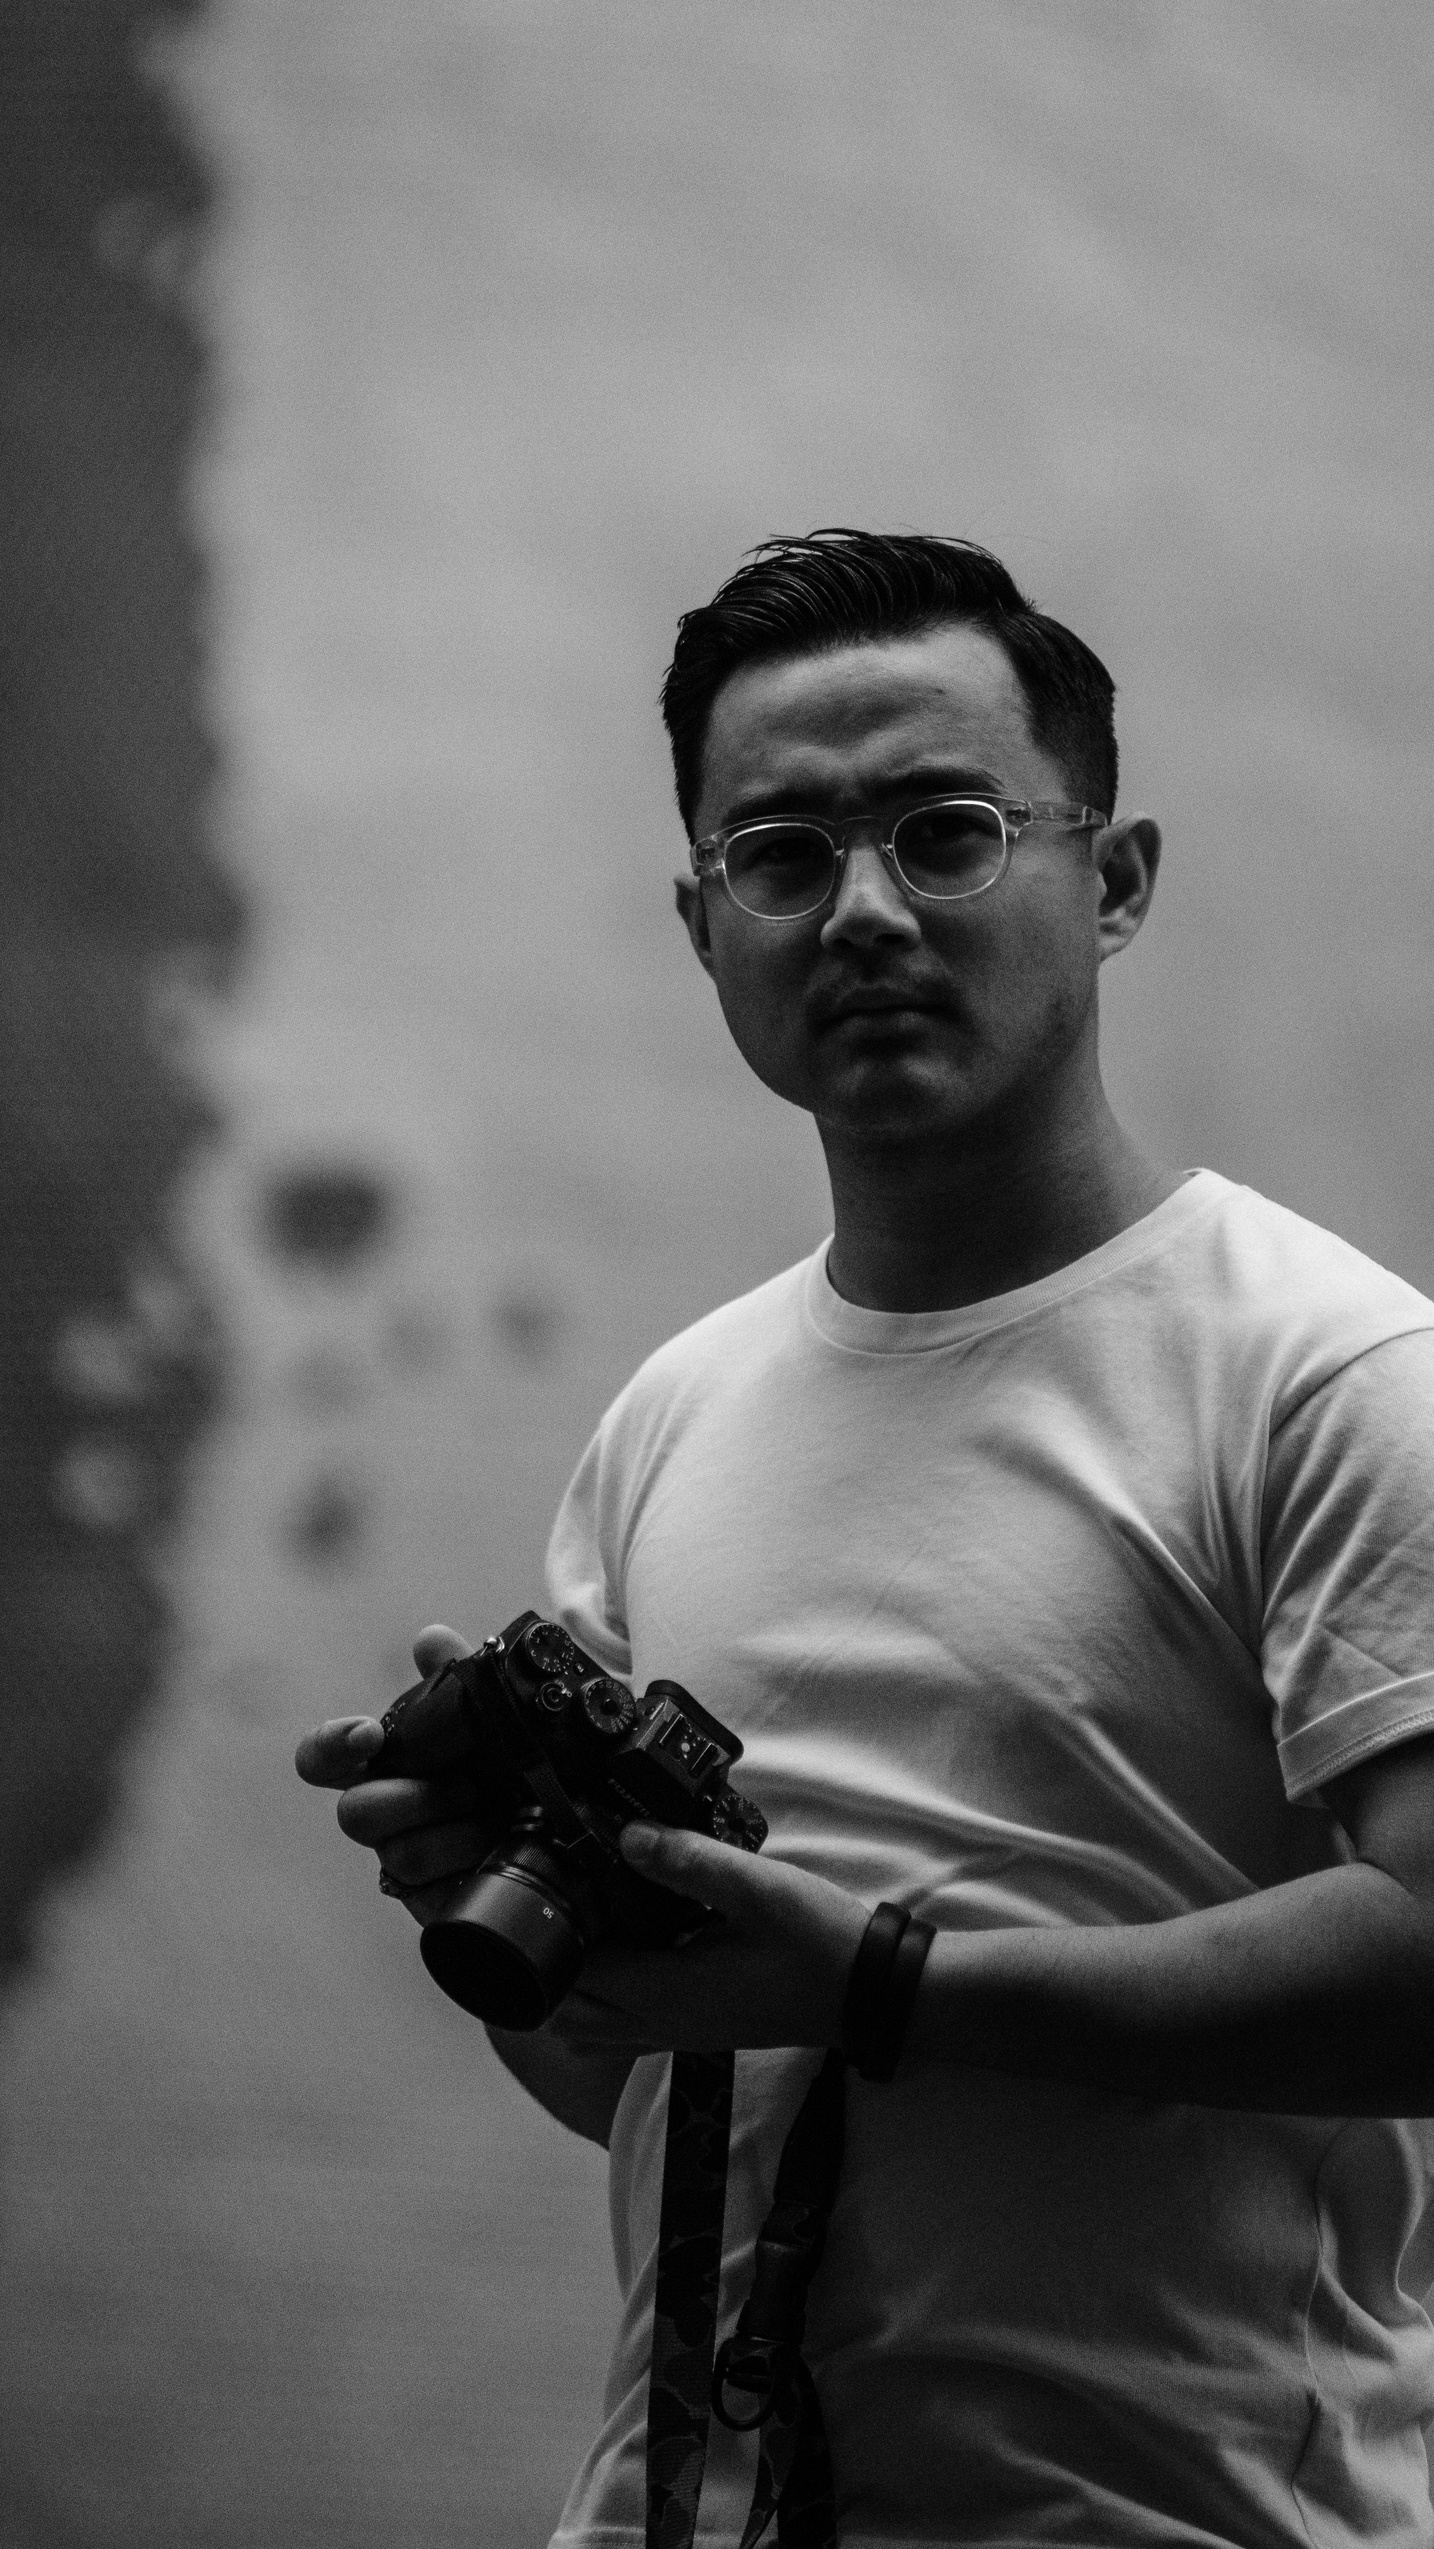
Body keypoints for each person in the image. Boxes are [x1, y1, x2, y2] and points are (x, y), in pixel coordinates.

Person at [297, 531, 1434, 2549]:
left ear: (1119, 879)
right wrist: (506, 1909)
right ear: (699, 918)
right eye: (783, 857)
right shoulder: (674, 1418)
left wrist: (883, 1980)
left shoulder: (1327, 1373)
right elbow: (642, 2087)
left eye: (948, 830)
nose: (867, 911)